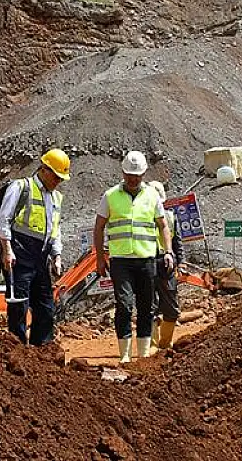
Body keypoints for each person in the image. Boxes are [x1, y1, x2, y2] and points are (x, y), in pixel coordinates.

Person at [93, 151, 173, 363]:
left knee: (147, 306)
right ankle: (125, 355)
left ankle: (144, 354)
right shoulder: (110, 196)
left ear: (144, 173)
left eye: (136, 175)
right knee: (125, 305)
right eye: (129, 174)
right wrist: (100, 258)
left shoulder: (152, 196)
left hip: (146, 259)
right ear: (122, 172)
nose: (132, 178)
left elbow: (163, 226)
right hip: (121, 261)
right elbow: (99, 226)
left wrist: (168, 252)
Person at [0, 148, 70, 346]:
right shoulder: (21, 187)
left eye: (61, 179)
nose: (58, 182)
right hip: (19, 253)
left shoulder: (56, 198)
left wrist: (57, 255)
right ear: (44, 170)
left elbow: (55, 228)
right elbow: (3, 220)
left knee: (45, 306)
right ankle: (17, 348)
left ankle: (42, 350)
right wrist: (7, 250)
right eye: (56, 176)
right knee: (19, 304)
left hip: (41, 256)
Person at [148, 181, 182, 350]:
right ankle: (152, 346)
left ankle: (165, 343)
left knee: (172, 308)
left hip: (166, 264)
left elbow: (177, 243)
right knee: (149, 307)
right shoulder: (141, 218)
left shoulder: (170, 217)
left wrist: (178, 263)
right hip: (146, 263)